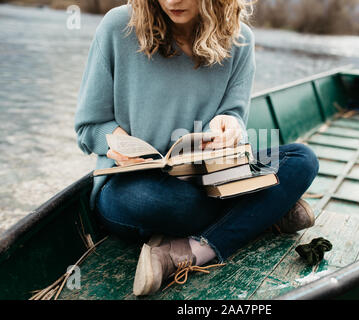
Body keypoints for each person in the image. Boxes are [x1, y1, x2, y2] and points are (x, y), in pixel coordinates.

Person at [74, 0, 319, 296]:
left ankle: (191, 251)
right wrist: (114, 139)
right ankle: (266, 212)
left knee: (302, 159)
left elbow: (234, 116)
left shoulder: (239, 39)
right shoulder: (118, 26)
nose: (172, 1)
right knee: (172, 203)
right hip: (131, 188)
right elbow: (89, 126)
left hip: (207, 179)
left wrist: (227, 125)